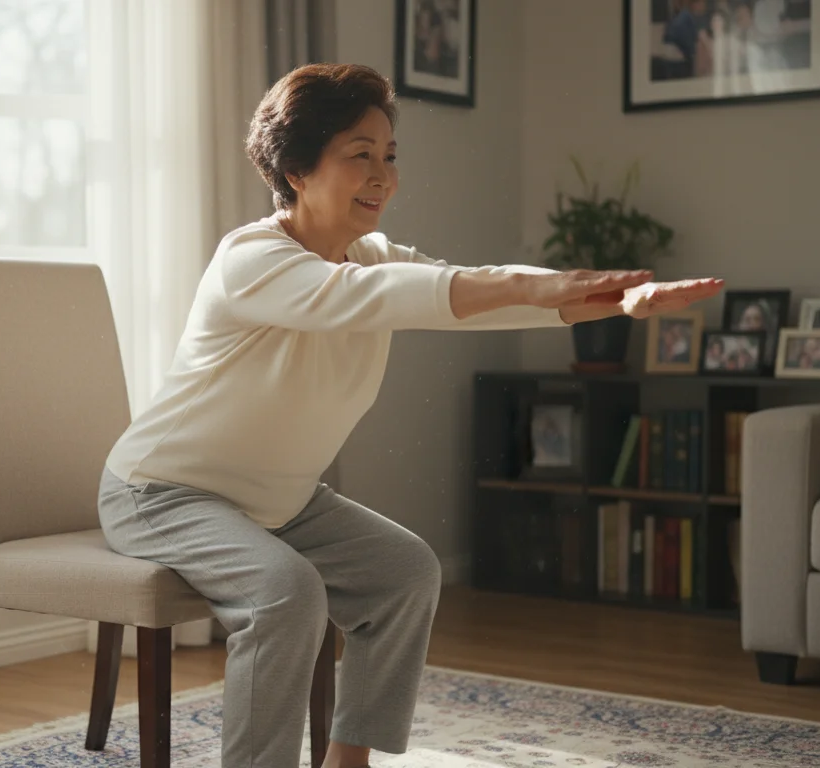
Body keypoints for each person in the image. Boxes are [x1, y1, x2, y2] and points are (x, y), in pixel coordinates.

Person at [96, 63, 722, 768]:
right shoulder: (252, 260)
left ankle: (348, 761)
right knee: (287, 593)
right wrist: (572, 284)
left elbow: (469, 298)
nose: (383, 176)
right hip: (161, 493)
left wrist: (617, 302)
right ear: (297, 170)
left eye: (389, 156)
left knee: (404, 572)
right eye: (359, 155)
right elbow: (422, 294)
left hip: (276, 501)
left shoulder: (371, 256)